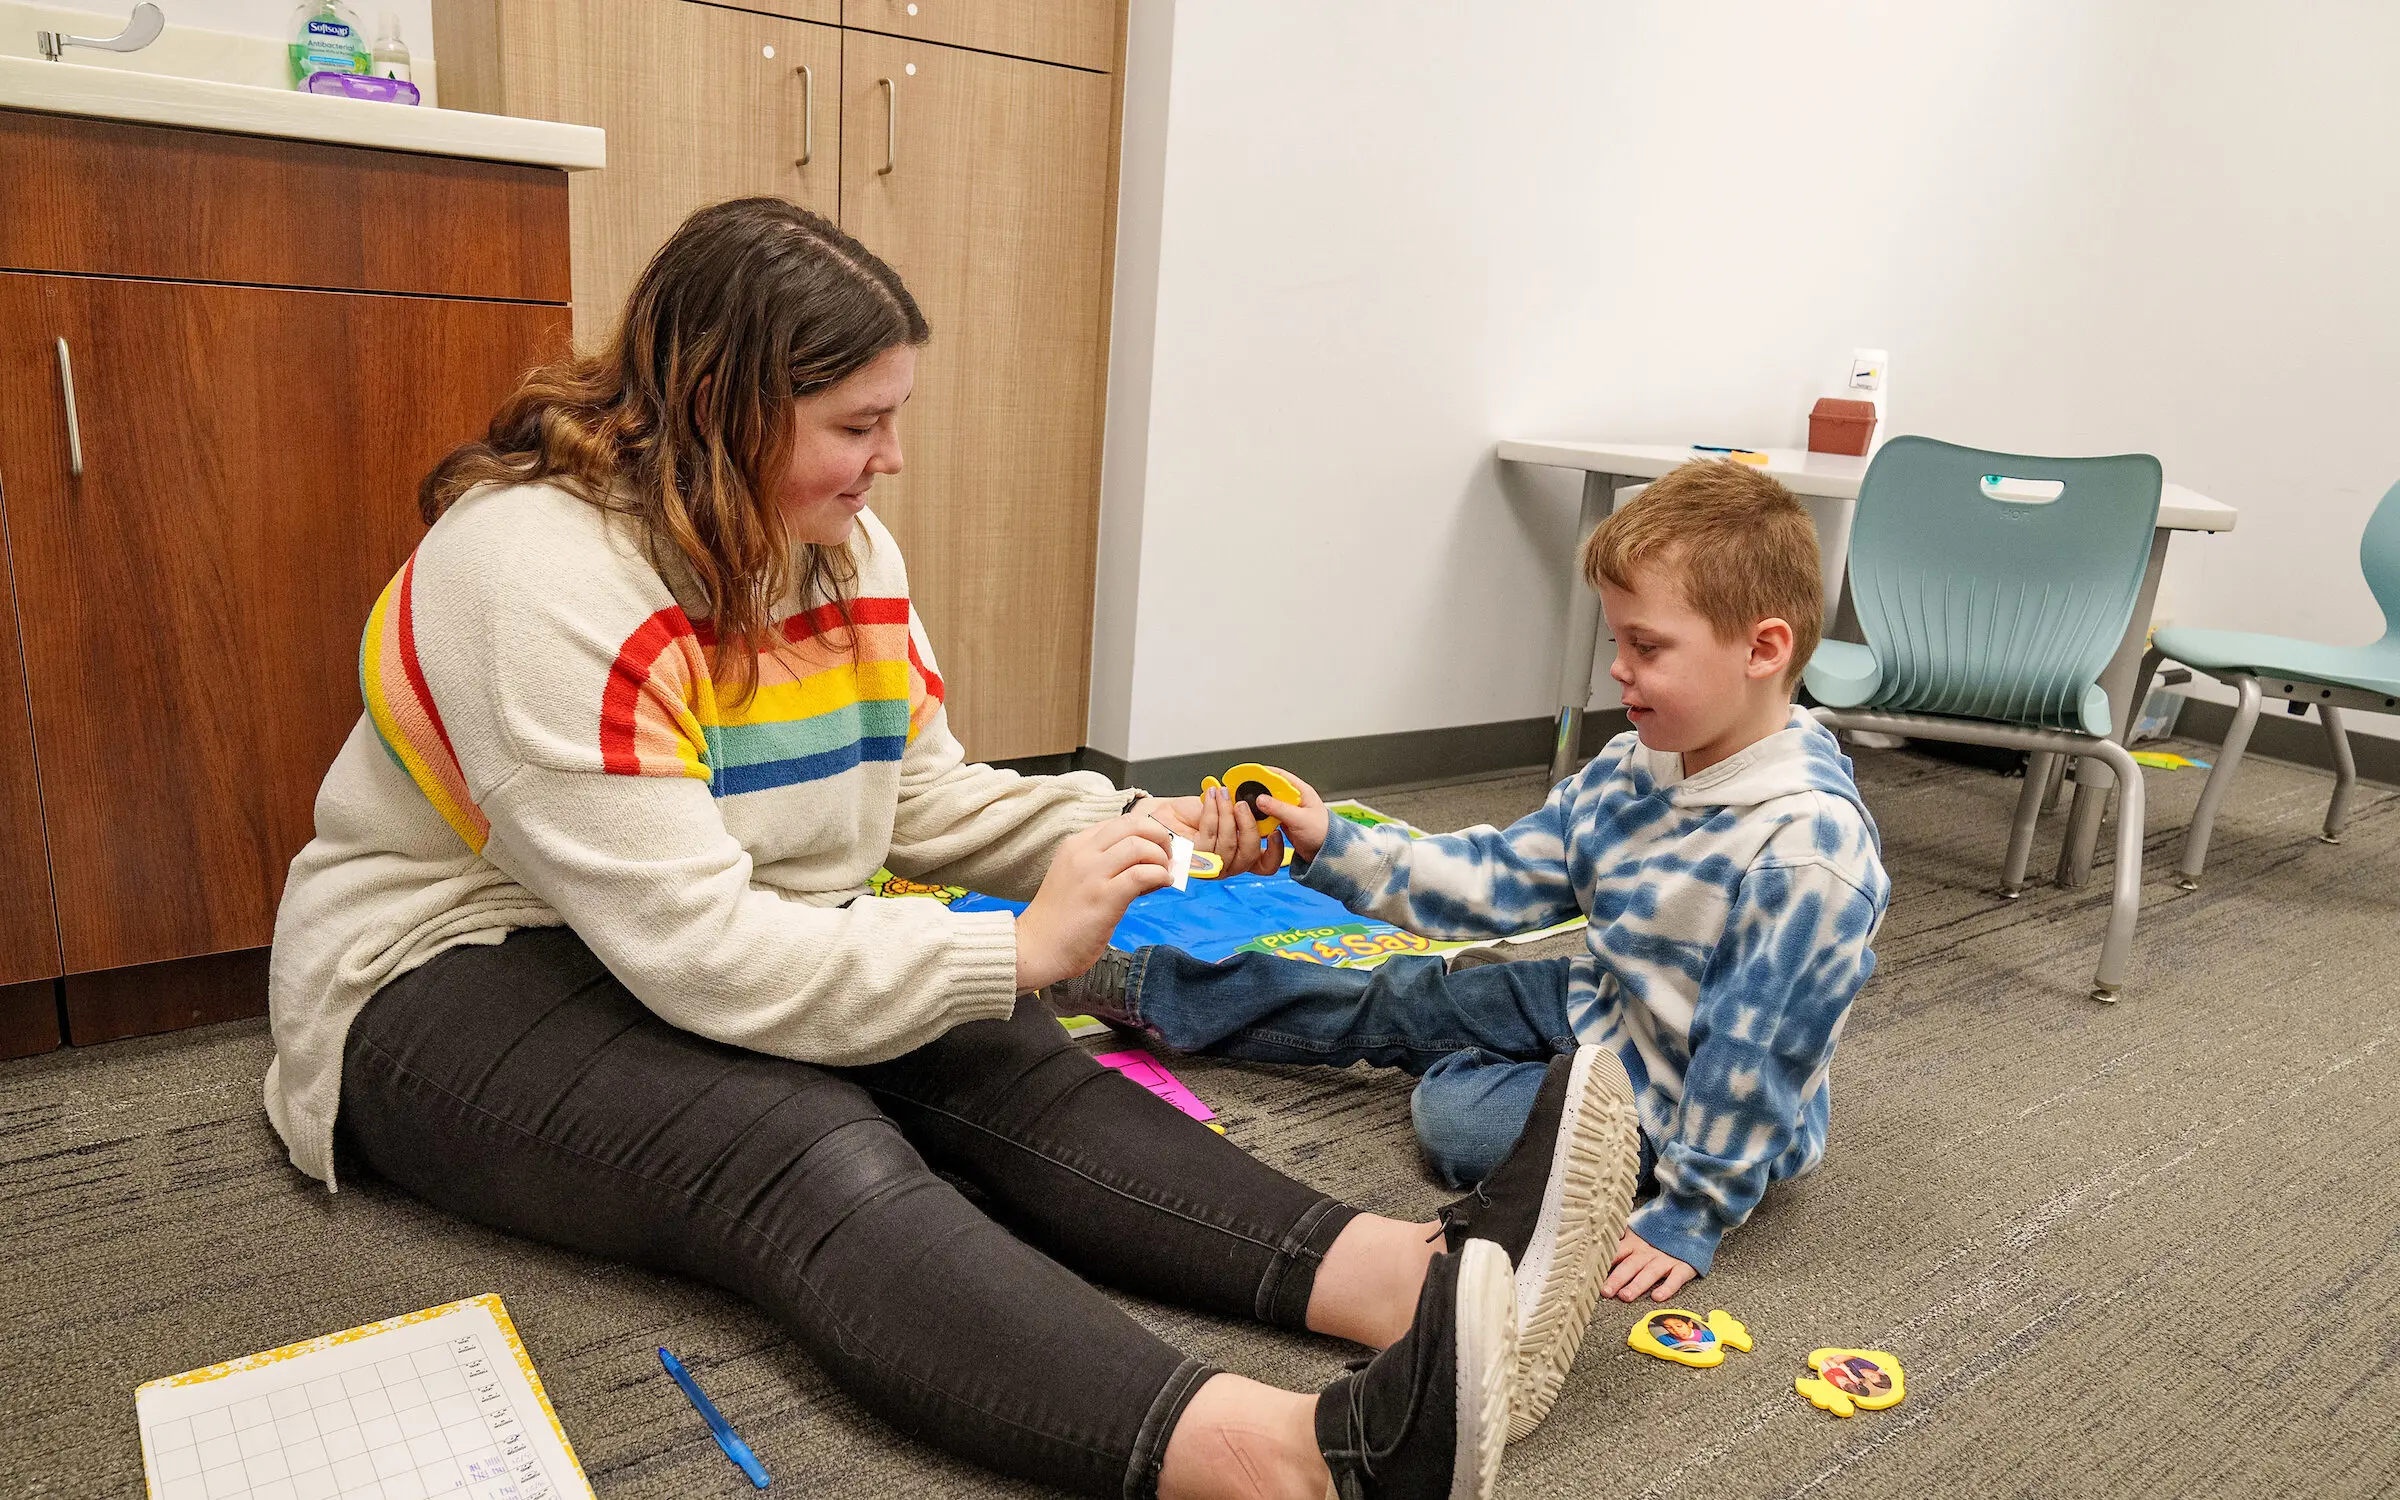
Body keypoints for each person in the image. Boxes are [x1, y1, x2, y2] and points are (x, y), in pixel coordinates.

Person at [260, 196, 1628, 1500]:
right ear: (724, 408)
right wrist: (1017, 946)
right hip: (438, 976)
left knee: (989, 1045)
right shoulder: (536, 577)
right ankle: (1297, 1465)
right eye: (859, 424)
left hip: (683, 929)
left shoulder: (835, 544)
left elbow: (913, 798)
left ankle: (1413, 1276)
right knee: (798, 1140)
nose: (892, 459)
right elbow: (701, 952)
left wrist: (1129, 829)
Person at [1052, 459, 1891, 1321]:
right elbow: (1500, 876)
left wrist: (1692, 1211)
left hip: (1678, 1103)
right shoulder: (1636, 764)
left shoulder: (1809, 855)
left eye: (1646, 647)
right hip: (1603, 1008)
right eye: (1616, 642)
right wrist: (1333, 842)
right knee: (1389, 996)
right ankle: (1147, 986)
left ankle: (1481, 1039)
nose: (1617, 670)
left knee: (1454, 1120)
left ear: (1762, 649)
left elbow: (1754, 1060)